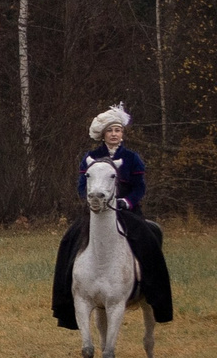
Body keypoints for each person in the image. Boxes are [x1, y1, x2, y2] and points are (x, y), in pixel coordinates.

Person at [52, 103, 174, 330]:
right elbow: (82, 185)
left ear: (122, 134)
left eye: (118, 130)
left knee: (150, 236)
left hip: (126, 211)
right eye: (111, 130)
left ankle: (153, 294)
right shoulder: (90, 157)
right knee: (69, 239)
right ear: (103, 134)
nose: (115, 134)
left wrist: (126, 202)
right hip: (96, 211)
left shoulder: (132, 158)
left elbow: (139, 188)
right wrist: (91, 201)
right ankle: (66, 296)